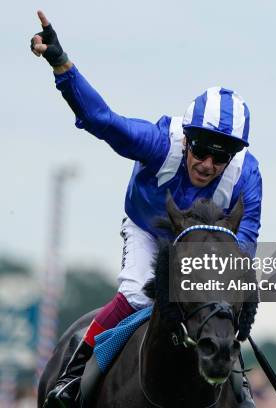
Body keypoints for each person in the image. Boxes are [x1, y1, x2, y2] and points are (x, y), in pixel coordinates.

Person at [30, 10, 263, 408]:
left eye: (220, 157)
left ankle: (240, 395)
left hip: (204, 247)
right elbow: (101, 119)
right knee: (137, 295)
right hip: (148, 228)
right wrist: (60, 63)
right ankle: (73, 374)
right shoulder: (159, 143)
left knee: (219, 306)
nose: (207, 164)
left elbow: (245, 242)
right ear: (187, 139)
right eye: (201, 149)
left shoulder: (247, 177)